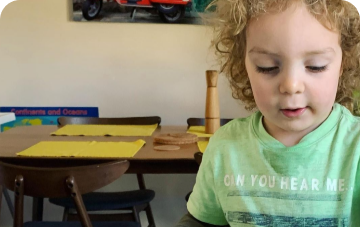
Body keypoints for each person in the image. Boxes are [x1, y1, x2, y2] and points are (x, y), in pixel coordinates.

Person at [176, 0, 360, 226]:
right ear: (243, 65)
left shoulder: (355, 148)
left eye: (316, 66)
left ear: (342, 65)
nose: (291, 85)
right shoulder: (225, 147)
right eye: (267, 67)